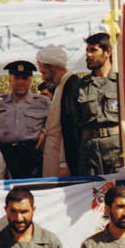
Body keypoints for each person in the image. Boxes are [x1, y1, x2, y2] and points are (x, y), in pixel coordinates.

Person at [69, 33, 123, 175]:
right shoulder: (80, 86)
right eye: (87, 50)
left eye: (93, 50)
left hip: (116, 147)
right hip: (89, 150)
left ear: (108, 52)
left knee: (118, 186)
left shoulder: (121, 83)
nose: (88, 55)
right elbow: (73, 123)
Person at [0, 61, 50, 178]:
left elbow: (55, 122)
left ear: (31, 80)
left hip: (32, 157)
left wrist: (44, 132)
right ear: (10, 79)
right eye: (16, 78)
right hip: (4, 156)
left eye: (25, 78)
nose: (20, 82)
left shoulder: (43, 103)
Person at [36, 45, 81, 177]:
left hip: (62, 163)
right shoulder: (60, 85)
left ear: (54, 67)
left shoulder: (71, 86)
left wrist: (64, 163)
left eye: (44, 72)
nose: (43, 78)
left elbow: (70, 129)